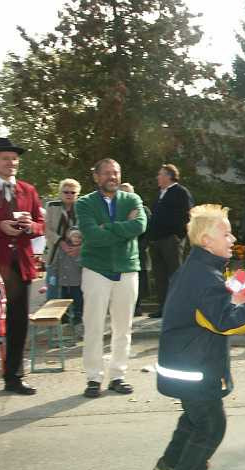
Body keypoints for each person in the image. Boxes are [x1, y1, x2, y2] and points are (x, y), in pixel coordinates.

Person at [152, 204, 245, 470]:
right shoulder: (204, 277)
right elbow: (227, 322)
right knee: (212, 425)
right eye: (224, 233)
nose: (232, 238)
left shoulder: (198, 269)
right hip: (194, 368)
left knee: (193, 418)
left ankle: (171, 463)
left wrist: (232, 296)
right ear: (206, 241)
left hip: (183, 363)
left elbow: (208, 310)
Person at [76, 158, 147, 398]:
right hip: (96, 270)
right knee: (94, 326)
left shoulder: (132, 199)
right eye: (106, 173)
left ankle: (118, 375)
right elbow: (91, 235)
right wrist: (121, 228)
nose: (112, 177)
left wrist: (107, 227)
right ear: (96, 177)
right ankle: (93, 378)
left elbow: (139, 226)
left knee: (123, 327)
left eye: (115, 173)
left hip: (127, 270)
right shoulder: (84, 203)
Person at [0, 137, 44, 395]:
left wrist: (30, 226)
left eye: (15, 158)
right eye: (5, 158)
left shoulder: (28, 190)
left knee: (18, 322)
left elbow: (41, 223)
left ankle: (14, 377)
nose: (11, 162)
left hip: (20, 266)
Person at [147, 164, 193, 318]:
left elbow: (188, 216)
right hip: (157, 241)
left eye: (160, 174)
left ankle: (179, 308)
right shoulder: (160, 193)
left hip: (171, 240)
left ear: (169, 176)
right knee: (160, 275)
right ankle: (164, 307)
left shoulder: (180, 192)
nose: (157, 177)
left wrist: (178, 236)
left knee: (175, 274)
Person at [45, 179, 81, 314]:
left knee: (76, 289)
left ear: (77, 194)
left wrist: (79, 247)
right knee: (54, 288)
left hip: (76, 254)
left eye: (73, 192)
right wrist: (61, 242)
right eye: (66, 192)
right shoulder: (52, 206)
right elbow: (47, 229)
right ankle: (53, 322)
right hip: (56, 253)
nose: (69, 195)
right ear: (60, 193)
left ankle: (76, 319)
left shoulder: (82, 208)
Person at [121, 182, 151, 317]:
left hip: (139, 250)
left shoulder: (143, 210)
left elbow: (147, 230)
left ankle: (137, 306)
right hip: (120, 252)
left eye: (129, 193)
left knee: (138, 280)